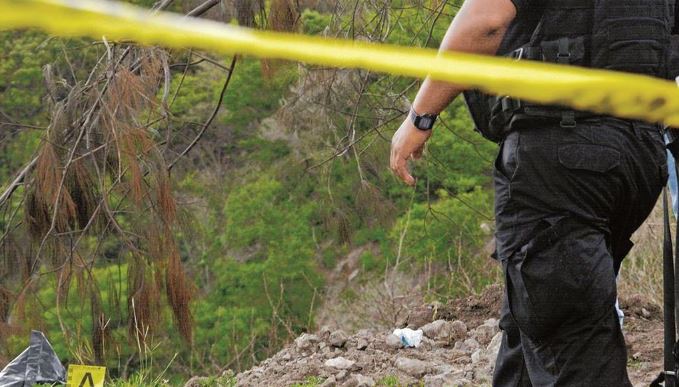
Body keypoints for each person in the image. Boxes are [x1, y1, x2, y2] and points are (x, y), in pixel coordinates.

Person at [389, 0, 676, 385]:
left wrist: (420, 117)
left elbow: (485, 21)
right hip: (638, 158)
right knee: (533, 324)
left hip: (562, 159)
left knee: (570, 343)